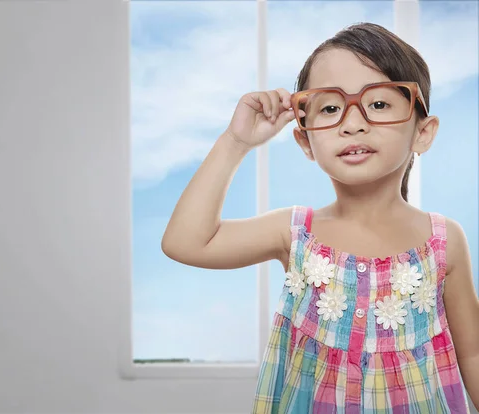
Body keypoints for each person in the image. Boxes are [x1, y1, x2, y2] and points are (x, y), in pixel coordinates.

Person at [161, 22, 479, 413]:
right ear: (305, 140)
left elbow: (473, 355)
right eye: (330, 108)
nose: (353, 122)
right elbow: (184, 242)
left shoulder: (444, 240)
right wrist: (237, 141)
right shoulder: (294, 233)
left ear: (423, 131)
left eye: (378, 103)